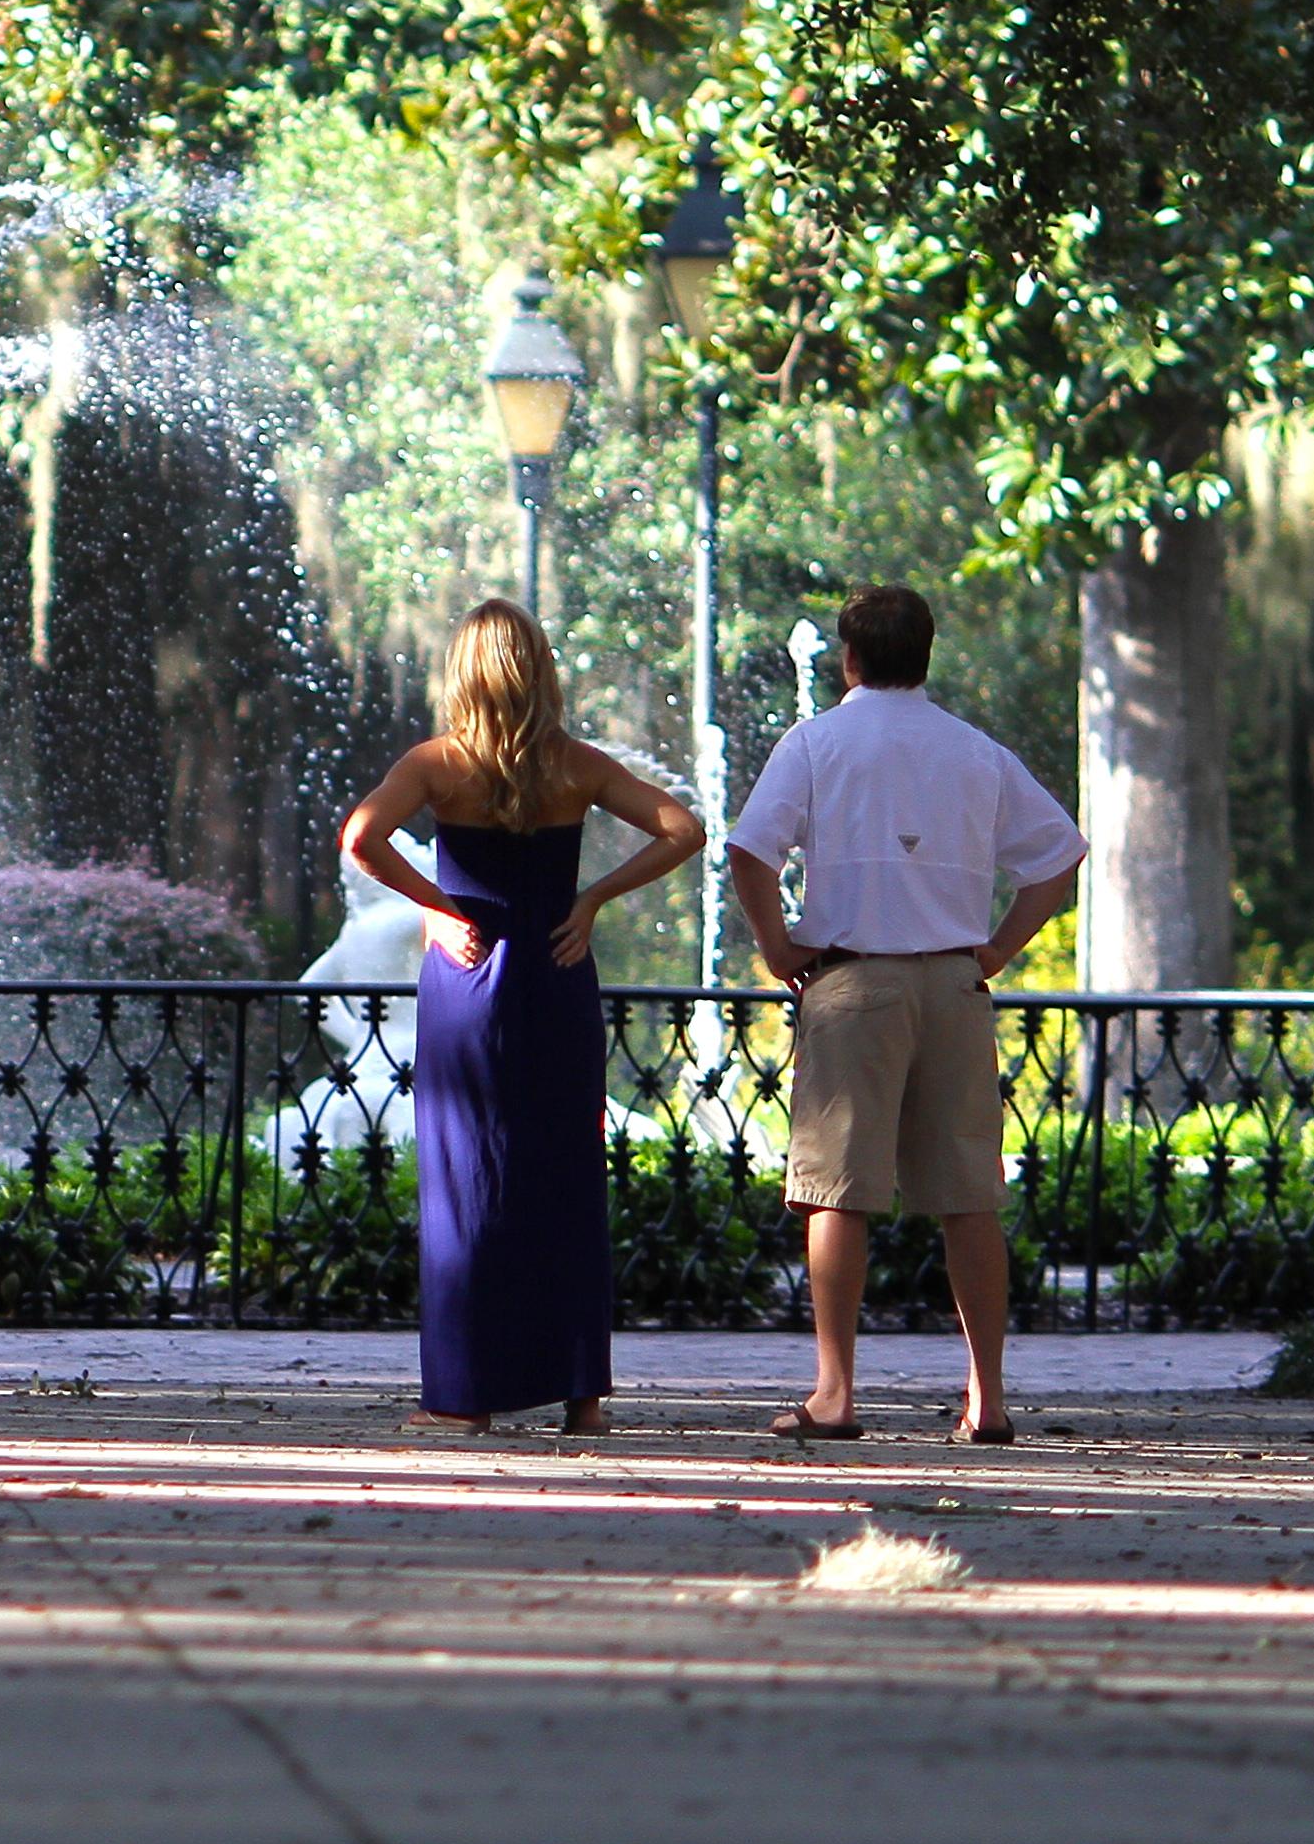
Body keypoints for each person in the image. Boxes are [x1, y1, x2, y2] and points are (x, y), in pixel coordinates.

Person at [722, 582, 1086, 1447]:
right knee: (969, 1197)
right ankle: (987, 1401)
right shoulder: (973, 751)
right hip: (954, 987)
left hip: (851, 982)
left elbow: (749, 851)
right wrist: (994, 951)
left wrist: (779, 949)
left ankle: (836, 1395)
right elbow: (1059, 855)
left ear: (848, 658)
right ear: (926, 655)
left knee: (836, 1195)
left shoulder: (816, 743)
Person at [338, 601, 703, 1433]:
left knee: (468, 1179)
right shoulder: (577, 764)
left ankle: (463, 1401)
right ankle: (583, 1399)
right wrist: (596, 898)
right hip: (557, 973)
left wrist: (434, 905)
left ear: (462, 673)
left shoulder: (438, 763)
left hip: (468, 986)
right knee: (566, 1178)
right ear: (540, 668)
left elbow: (360, 838)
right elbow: (685, 827)